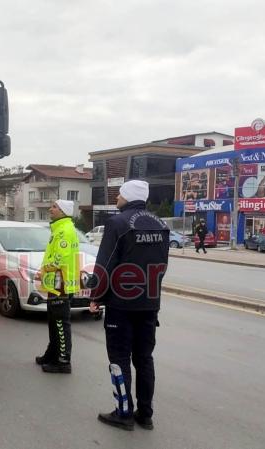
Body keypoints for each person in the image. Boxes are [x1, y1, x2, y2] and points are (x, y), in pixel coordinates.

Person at [88, 180, 169, 431]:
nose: (116, 200)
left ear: (127, 197)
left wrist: (96, 297)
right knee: (144, 358)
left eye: (119, 195)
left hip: (121, 306)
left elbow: (105, 264)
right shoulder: (161, 225)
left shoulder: (118, 224)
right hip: (149, 304)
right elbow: (162, 266)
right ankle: (145, 414)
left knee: (119, 358)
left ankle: (123, 413)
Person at [34, 199, 80, 374]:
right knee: (54, 322)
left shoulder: (64, 231)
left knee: (60, 323)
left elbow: (60, 259)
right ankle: (52, 354)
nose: (50, 209)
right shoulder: (60, 228)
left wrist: (43, 270)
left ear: (62, 211)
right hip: (57, 283)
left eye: (54, 207)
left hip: (61, 283)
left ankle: (63, 361)